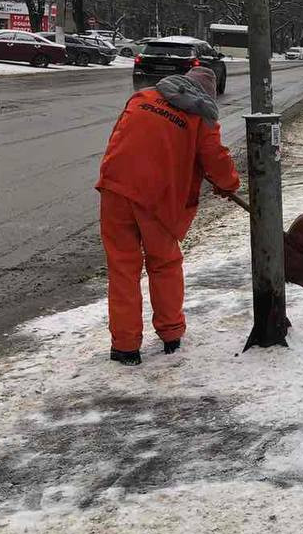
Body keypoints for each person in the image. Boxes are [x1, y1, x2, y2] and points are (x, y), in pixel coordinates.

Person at [96, 66, 240, 365]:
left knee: (122, 268)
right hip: (158, 198)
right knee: (164, 264)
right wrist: (228, 186)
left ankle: (124, 348)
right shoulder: (201, 117)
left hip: (115, 187)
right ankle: (171, 334)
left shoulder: (142, 97)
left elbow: (119, 138)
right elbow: (215, 159)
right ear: (207, 95)